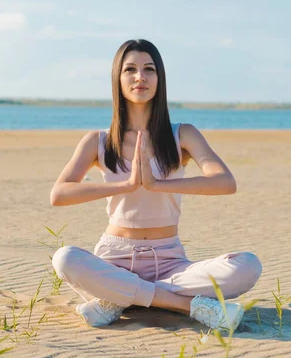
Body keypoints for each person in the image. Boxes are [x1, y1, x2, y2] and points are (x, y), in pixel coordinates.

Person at [50, 39, 262, 331]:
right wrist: (125, 185)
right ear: (118, 78)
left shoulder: (182, 135)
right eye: (130, 69)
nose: (140, 77)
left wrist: (156, 184)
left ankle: (121, 297)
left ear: (159, 78)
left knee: (248, 265)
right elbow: (59, 194)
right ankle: (186, 305)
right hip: (114, 258)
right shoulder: (98, 141)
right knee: (65, 259)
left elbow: (225, 182)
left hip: (171, 263)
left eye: (149, 69)